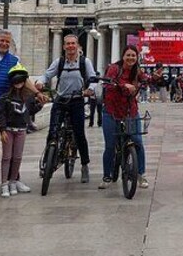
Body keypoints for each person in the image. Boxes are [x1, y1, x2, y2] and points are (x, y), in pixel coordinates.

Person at [35, 34, 97, 183]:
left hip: (77, 100)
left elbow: (93, 78)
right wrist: (40, 82)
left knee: (79, 134)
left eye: (73, 43)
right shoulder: (59, 62)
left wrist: (90, 89)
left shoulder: (84, 62)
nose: (70, 46)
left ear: (77, 46)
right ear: (64, 46)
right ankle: (47, 162)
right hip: (61, 100)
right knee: (53, 131)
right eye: (67, 44)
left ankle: (84, 165)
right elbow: (47, 75)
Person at [99, 45, 150, 189]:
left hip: (130, 111)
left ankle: (141, 174)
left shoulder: (136, 70)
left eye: (133, 55)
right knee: (110, 145)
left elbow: (145, 78)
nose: (131, 58)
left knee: (137, 142)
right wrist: (124, 85)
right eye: (128, 55)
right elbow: (108, 82)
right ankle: (107, 175)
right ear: (123, 56)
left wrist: (153, 78)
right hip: (112, 111)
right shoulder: (115, 68)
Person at [0, 64, 47, 197]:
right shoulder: (5, 97)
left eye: (21, 80)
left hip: (21, 130)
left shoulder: (28, 97)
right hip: (8, 129)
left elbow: (30, 111)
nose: (18, 83)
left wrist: (41, 105)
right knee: (7, 157)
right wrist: (2, 130)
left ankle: (13, 181)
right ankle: (4, 184)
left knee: (17, 157)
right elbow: (1, 115)